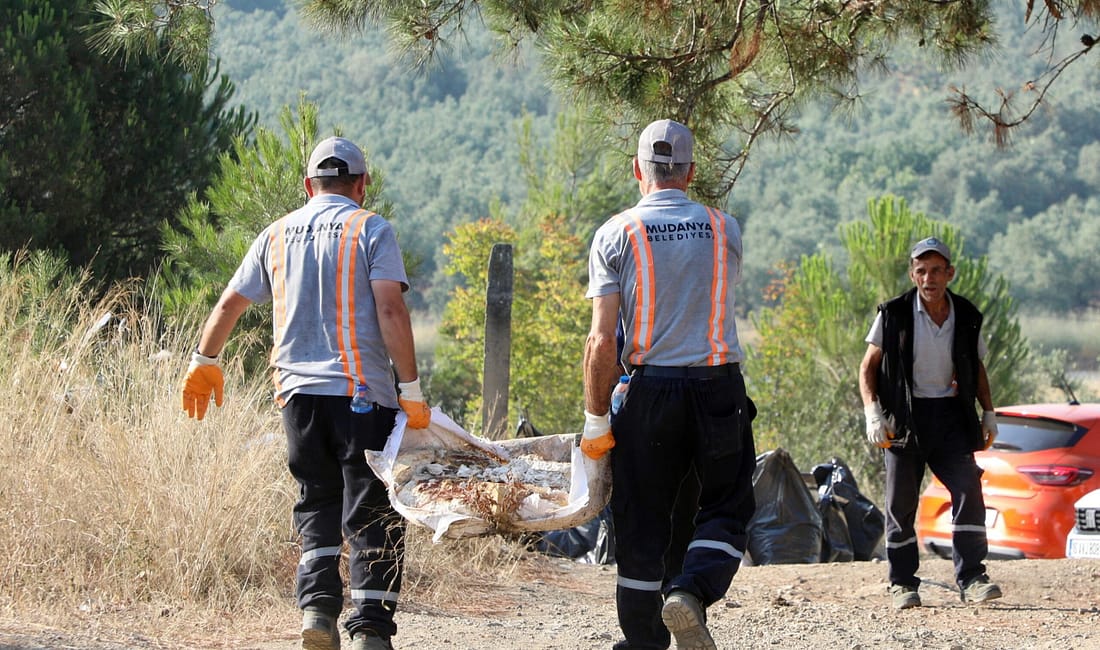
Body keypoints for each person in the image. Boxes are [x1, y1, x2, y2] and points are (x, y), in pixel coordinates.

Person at [181, 136, 430, 650]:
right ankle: (371, 632)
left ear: (307, 186)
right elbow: (390, 311)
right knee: (371, 509)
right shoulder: (372, 229)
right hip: (364, 396)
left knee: (316, 502)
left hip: (296, 397)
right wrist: (411, 389)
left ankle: (318, 613)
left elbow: (230, 303)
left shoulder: (275, 234)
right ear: (362, 185)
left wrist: (204, 361)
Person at [582, 119, 757, 650]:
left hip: (650, 393)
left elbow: (601, 342)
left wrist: (595, 422)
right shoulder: (725, 228)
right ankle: (691, 591)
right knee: (724, 507)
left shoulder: (616, 233)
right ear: (692, 172)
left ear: (638, 170)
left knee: (642, 521)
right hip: (718, 391)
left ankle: (643, 641)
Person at [858, 236, 1002, 611]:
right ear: (912, 273)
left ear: (949, 273)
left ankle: (972, 577)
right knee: (899, 504)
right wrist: (873, 412)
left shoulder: (967, 316)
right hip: (906, 418)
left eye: (937, 270)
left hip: (952, 416)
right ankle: (902, 583)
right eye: (921, 270)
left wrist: (988, 412)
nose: (929, 278)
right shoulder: (893, 313)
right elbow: (867, 367)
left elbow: (977, 366)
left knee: (969, 489)